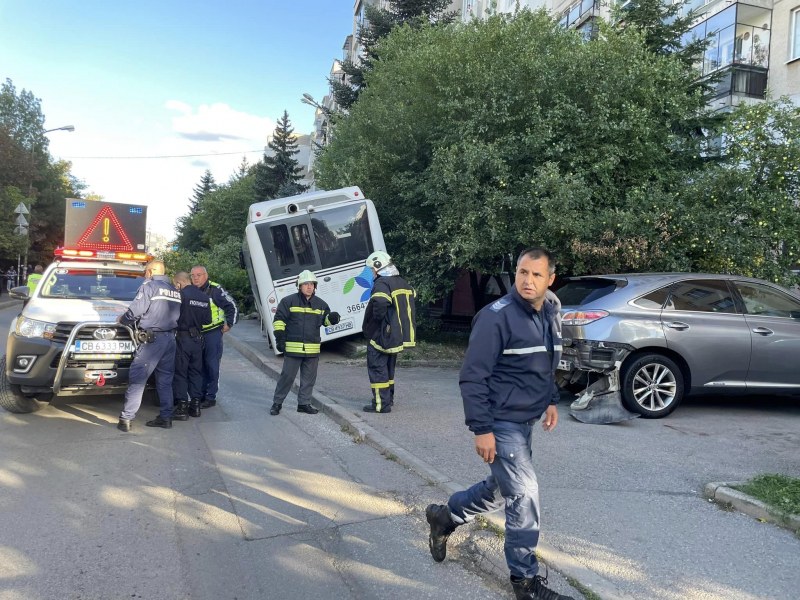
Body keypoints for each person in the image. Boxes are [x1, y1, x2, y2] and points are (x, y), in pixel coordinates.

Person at [425, 247, 574, 600]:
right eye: (523, 272)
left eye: (537, 275)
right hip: (500, 420)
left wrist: (551, 399)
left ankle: (445, 517)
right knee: (524, 493)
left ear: (550, 279)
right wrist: (482, 429)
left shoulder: (550, 309)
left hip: (526, 419)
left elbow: (545, 361)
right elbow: (473, 377)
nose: (528, 280)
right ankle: (525, 582)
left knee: (500, 488)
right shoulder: (496, 317)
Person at [117, 260, 182, 431]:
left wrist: (123, 319)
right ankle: (166, 417)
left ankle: (126, 419)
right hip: (170, 340)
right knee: (165, 381)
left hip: (152, 341)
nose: (145, 275)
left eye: (146, 271)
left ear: (151, 272)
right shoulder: (174, 290)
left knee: (138, 379)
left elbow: (136, 311)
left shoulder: (149, 286)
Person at [269, 270, 340, 416]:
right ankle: (277, 403)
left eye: (312, 284)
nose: (309, 287)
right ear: (299, 286)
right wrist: (280, 339)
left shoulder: (321, 304)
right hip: (293, 348)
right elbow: (279, 321)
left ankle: (304, 404)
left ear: (315, 286)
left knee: (308, 379)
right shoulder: (288, 302)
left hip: (312, 349)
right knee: (287, 377)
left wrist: (332, 319)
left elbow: (325, 321)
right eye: (306, 284)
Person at [361, 250, 416, 414]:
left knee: (377, 368)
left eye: (372, 269)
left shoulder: (382, 283)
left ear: (378, 267)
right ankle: (388, 399)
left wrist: (377, 323)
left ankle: (381, 404)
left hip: (382, 335)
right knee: (388, 369)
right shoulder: (402, 282)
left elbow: (380, 303)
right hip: (396, 335)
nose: (371, 272)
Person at [190, 265, 238, 409]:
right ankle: (200, 394)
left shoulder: (215, 290)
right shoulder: (190, 291)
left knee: (211, 365)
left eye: (199, 275)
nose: (196, 278)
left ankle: (210, 397)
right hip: (197, 333)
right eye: (193, 275)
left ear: (206, 275)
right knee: (199, 366)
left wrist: (229, 324)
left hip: (213, 333)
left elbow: (232, 306)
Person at [171, 271, 211, 420]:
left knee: (181, 373)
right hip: (197, 339)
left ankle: (181, 407)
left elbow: (173, 317)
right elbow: (207, 320)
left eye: (176, 285)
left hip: (182, 338)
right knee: (196, 372)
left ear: (179, 283)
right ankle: (195, 406)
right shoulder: (204, 297)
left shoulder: (180, 295)